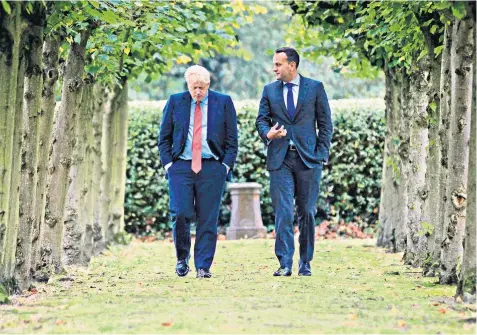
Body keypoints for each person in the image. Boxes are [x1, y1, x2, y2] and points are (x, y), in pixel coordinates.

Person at [256, 47, 333, 276]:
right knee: (284, 212)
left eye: (278, 64)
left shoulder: (315, 88)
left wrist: (321, 154)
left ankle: (305, 262)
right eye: (274, 64)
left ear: (292, 65)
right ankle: (285, 263)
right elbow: (261, 120)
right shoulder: (269, 90)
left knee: (307, 211)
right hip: (280, 159)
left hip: (308, 160)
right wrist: (268, 134)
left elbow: (325, 124)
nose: (274, 68)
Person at [158, 65, 238, 279]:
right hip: (181, 167)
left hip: (212, 167)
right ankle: (182, 258)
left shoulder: (223, 102)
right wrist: (168, 165)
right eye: (194, 87)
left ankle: (203, 266)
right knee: (181, 212)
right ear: (188, 85)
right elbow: (164, 137)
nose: (198, 92)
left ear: (208, 84)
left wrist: (225, 166)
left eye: (202, 87)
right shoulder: (175, 102)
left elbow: (232, 140)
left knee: (207, 218)